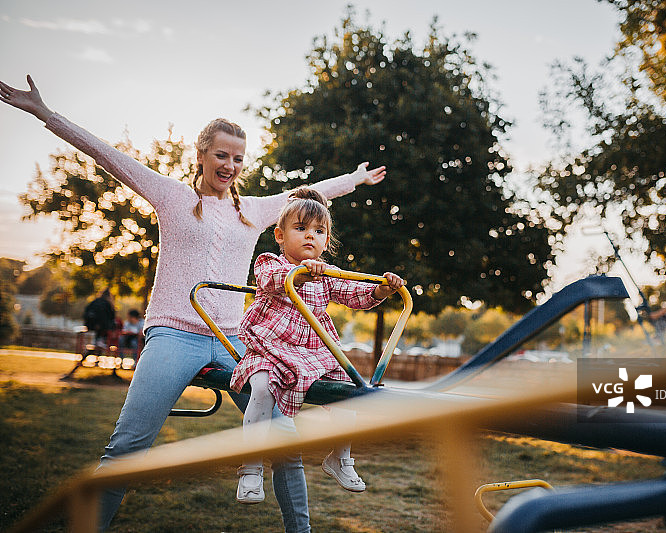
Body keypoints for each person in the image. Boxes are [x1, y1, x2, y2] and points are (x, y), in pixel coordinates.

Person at [0, 75, 387, 532]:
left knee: (284, 443)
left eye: (238, 159)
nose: (229, 165)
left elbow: (312, 195)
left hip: (235, 340)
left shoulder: (255, 211)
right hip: (175, 334)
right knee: (127, 449)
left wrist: (356, 180)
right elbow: (109, 156)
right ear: (201, 154)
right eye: (221, 155)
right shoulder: (173, 197)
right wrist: (45, 114)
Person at [231, 187, 404, 503]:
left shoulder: (328, 274)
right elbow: (273, 281)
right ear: (281, 236)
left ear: (326, 239)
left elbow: (356, 296)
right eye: (300, 229)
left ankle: (340, 456)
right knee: (262, 388)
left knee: (350, 390)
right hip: (270, 346)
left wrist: (382, 290)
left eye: (318, 231)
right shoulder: (269, 262)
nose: (310, 236)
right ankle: (251, 467)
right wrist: (302, 275)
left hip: (314, 350)